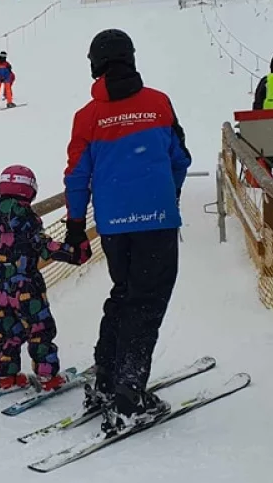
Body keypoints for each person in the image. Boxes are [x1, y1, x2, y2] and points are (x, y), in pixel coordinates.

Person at [62, 29, 192, 434]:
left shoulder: (87, 117)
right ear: (130, 60)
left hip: (114, 227)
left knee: (124, 295)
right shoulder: (158, 103)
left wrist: (75, 227)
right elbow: (180, 158)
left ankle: (106, 380)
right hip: (156, 221)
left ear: (96, 65)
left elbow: (76, 176)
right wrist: (165, 194)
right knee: (146, 304)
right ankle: (128, 397)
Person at [0, 165, 76, 391]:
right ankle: (48, 377)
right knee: (39, 329)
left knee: (7, 330)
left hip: (1, 289)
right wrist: (71, 252)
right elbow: (43, 245)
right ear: (29, 191)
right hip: (27, 286)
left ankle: (7, 376)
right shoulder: (27, 217)